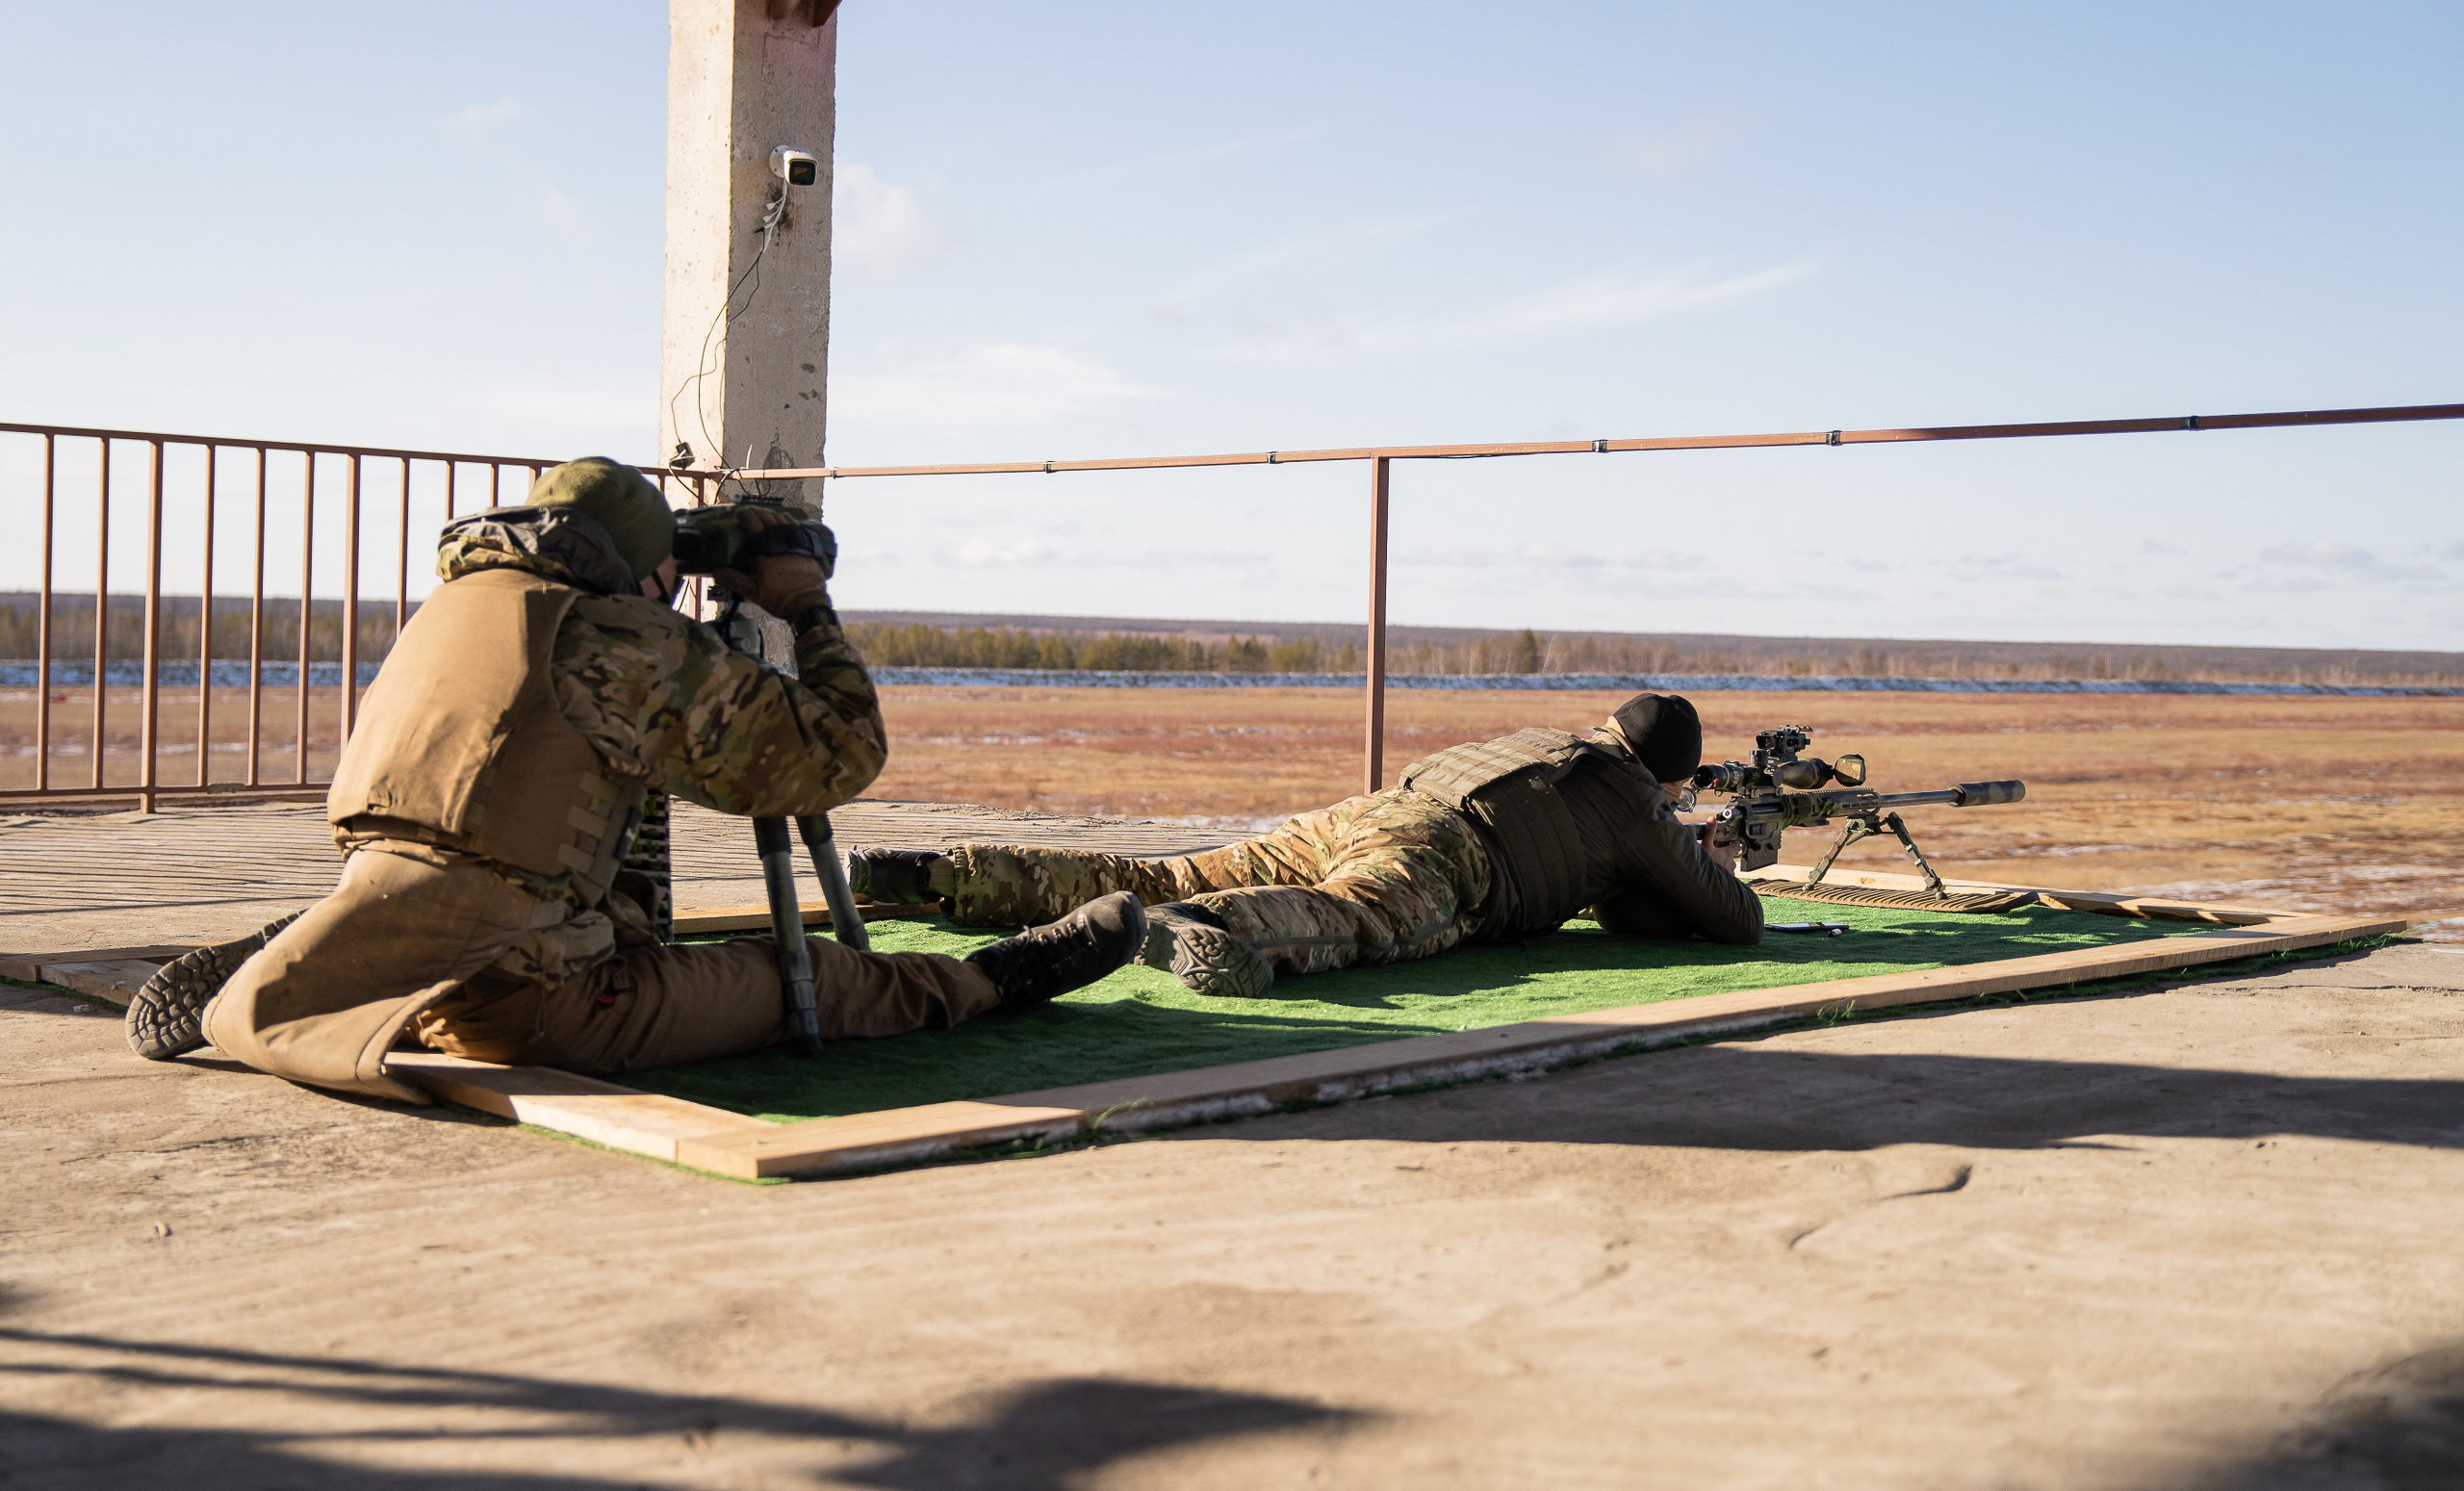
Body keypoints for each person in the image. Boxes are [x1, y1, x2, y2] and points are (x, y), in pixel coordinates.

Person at [123, 458, 1144, 1102]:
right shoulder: (614, 638)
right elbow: (839, 754)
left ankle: (339, 945)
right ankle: (988, 981)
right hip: (522, 1008)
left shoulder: (462, 611)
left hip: (436, 911)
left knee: (491, 868)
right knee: (812, 978)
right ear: (640, 569)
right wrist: (802, 603)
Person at [850, 693, 1761, 998]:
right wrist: (1708, 861)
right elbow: (1735, 921)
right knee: (1353, 919)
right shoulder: (1634, 800)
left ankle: (942, 875)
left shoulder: (1549, 746)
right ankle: (1203, 926)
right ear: (1664, 775)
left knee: (1155, 868)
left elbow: (1613, 894)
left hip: (1370, 810)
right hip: (1450, 855)